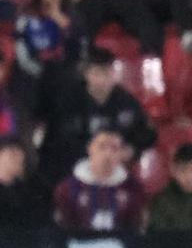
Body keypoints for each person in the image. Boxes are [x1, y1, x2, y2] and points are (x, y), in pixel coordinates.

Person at [43, 46, 157, 175]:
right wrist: (96, 153)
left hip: (117, 168)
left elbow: (147, 133)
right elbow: (59, 140)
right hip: (77, 169)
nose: (102, 80)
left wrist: (130, 149)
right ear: (86, 74)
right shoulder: (70, 101)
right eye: (97, 73)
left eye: (107, 73)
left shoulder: (126, 101)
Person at [53, 129, 144, 235]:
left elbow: (136, 229)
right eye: (102, 147)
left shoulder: (133, 189)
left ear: (121, 154)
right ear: (90, 148)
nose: (107, 154)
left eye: (114, 149)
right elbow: (62, 228)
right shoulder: (67, 188)